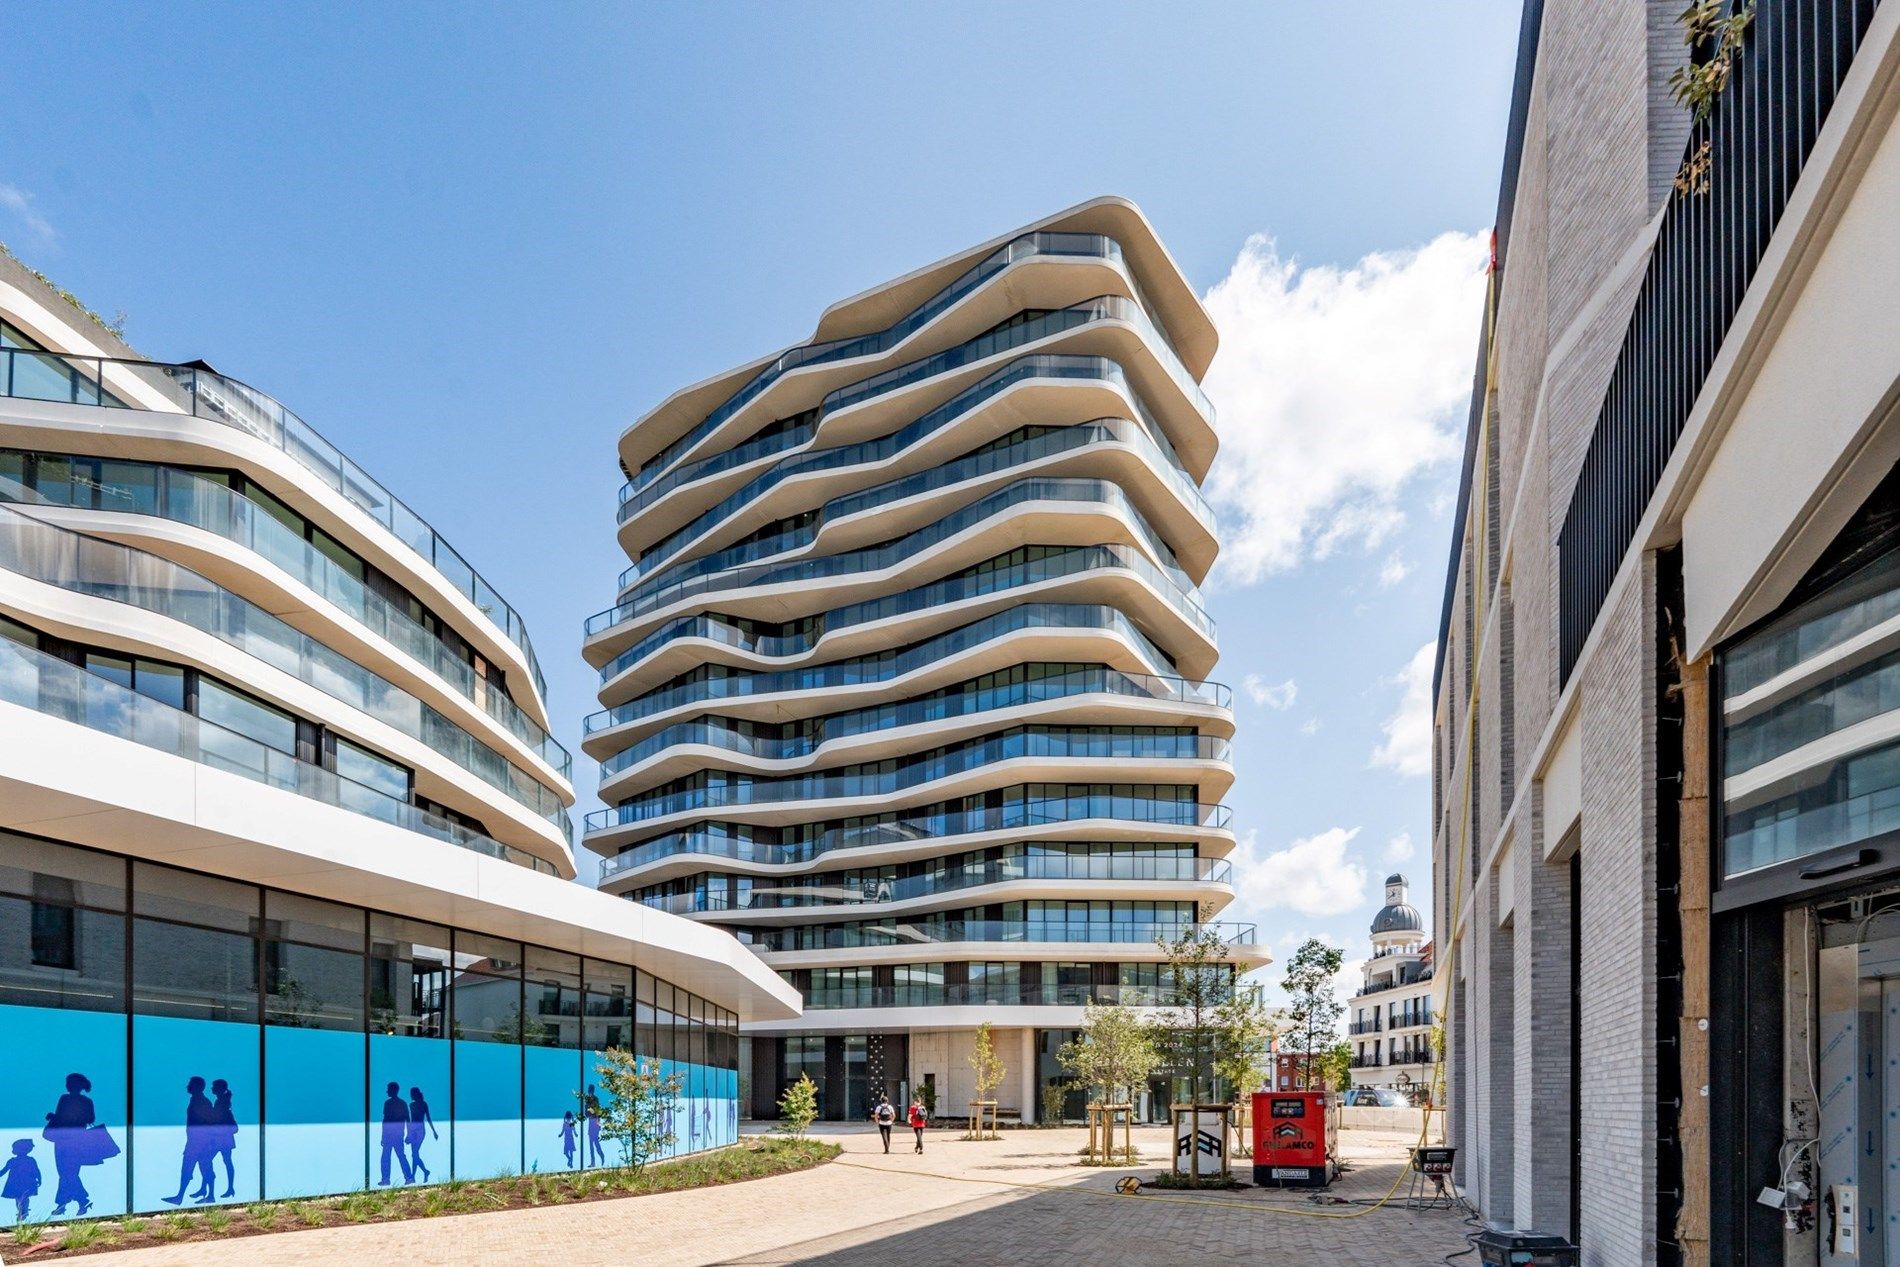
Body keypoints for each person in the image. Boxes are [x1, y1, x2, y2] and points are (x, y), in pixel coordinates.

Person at [43, 1073, 95, 1217]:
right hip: (75, 1140)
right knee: (68, 1173)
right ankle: (79, 1202)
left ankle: (68, 1203)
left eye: (69, 1083)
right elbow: (90, 1118)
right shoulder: (85, 1101)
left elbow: (62, 1118)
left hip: (66, 1140)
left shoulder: (65, 1099)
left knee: (67, 1173)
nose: (67, 1085)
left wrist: (55, 1117)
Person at [161, 1077, 215, 1206]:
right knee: (197, 1168)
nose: (187, 1086)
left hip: (199, 1142)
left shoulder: (203, 1102)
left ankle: (207, 1196)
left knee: (195, 1168)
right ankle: (182, 1196)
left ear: (196, 1086)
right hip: (196, 1141)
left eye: (190, 1084)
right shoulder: (197, 1100)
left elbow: (209, 1123)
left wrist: (205, 1141)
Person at [201, 1080, 238, 1201]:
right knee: (224, 1161)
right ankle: (212, 1190)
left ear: (219, 1088)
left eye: (214, 1086)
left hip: (222, 1140)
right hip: (221, 1139)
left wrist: (216, 1132)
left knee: (207, 1160)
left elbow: (234, 1127)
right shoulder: (221, 1102)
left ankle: (211, 1192)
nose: (211, 1088)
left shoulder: (222, 1104)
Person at [378, 1082, 412, 1186]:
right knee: (398, 1156)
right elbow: (408, 1120)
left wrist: (383, 1136)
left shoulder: (389, 1103)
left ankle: (386, 1179)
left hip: (391, 1135)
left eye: (388, 1089)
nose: (386, 1091)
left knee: (387, 1157)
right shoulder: (402, 1103)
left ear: (393, 1090)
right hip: (397, 1134)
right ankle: (408, 1178)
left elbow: (386, 1120)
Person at [0, 1139, 41, 1223]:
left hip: (26, 1183)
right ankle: (22, 1212)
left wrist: (39, 1178)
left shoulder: (30, 1160)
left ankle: (24, 1212)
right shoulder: (12, 1161)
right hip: (16, 1184)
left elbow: (36, 1170)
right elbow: (3, 1171)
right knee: (19, 1198)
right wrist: (39, 1178)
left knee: (24, 1197)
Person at [405, 1087, 438, 1182]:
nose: (410, 1096)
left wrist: (434, 1131)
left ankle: (423, 1172)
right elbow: (410, 1120)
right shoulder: (411, 1105)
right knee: (414, 1154)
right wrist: (408, 1134)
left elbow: (428, 1118)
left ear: (415, 1094)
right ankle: (414, 1176)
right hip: (413, 1130)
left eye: (411, 1093)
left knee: (414, 1154)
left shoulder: (424, 1104)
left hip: (420, 1130)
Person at [582, 1085, 604, 1167]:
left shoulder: (596, 1099)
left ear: (593, 1091)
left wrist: (598, 1123)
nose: (590, 1092)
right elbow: (586, 1113)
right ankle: (593, 1162)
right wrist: (588, 1111)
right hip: (590, 1122)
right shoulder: (587, 1100)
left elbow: (598, 1112)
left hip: (595, 1122)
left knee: (595, 1142)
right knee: (591, 1143)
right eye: (589, 1091)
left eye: (591, 1090)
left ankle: (601, 1156)